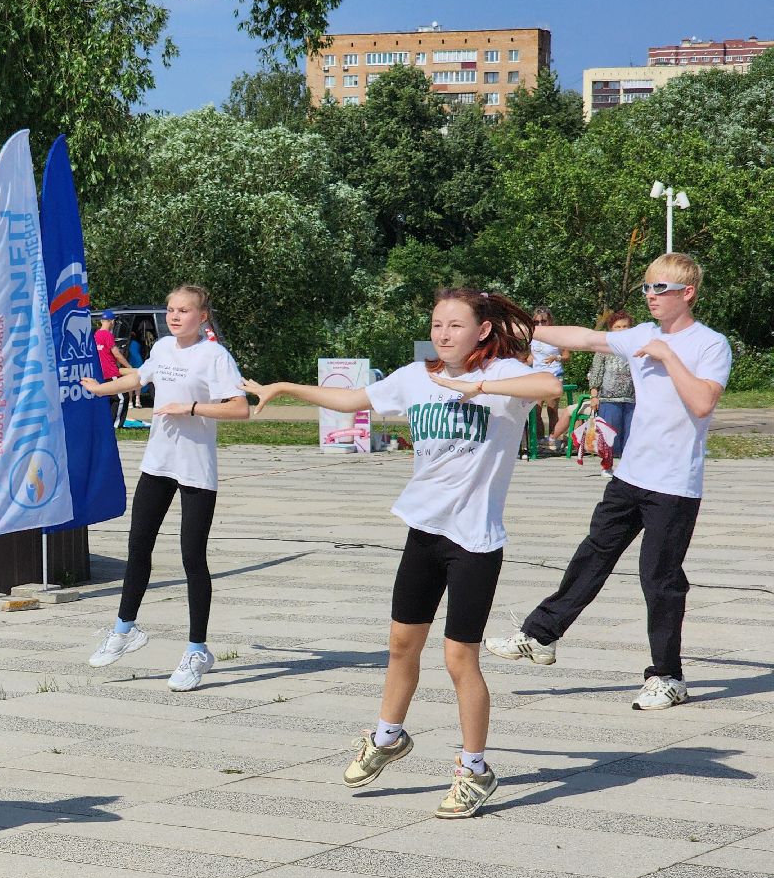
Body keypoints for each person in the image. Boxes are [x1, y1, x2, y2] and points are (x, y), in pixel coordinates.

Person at [244, 289, 560, 818]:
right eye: (437, 324)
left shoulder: (504, 376)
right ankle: (388, 736)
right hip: (424, 532)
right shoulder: (416, 377)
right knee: (399, 644)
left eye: (455, 325)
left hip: (474, 541)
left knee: (460, 658)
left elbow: (549, 384)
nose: (443, 333)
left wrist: (476, 385)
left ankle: (475, 770)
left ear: (482, 330)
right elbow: (352, 400)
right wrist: (283, 386)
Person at [487, 253, 731, 711]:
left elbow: (702, 404)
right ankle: (541, 636)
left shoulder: (710, 344)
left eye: (661, 289)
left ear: (688, 293)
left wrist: (666, 356)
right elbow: (584, 338)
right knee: (593, 555)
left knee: (659, 579)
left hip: (674, 485)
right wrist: (522, 328)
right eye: (647, 288)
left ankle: (668, 677)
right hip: (629, 476)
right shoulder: (640, 334)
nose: (651, 297)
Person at [80, 285, 249, 692]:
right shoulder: (163, 349)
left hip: (196, 470)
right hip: (158, 463)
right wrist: (102, 389)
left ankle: (196, 651)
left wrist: (190, 408)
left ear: (202, 316)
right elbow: (140, 377)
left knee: (193, 558)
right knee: (138, 545)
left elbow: (239, 408)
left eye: (184, 311)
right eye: (171, 310)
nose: (175, 317)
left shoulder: (214, 355)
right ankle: (125, 629)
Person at [586, 311, 636, 472]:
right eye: (617, 327)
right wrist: (594, 396)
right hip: (609, 398)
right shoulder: (603, 348)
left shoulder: (637, 347)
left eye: (625, 326)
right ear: (611, 329)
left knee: (631, 435)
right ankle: (606, 466)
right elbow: (596, 372)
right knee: (608, 435)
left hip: (632, 399)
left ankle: (628, 470)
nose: (622, 330)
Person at [527, 307, 567, 445]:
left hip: (554, 374)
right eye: (536, 322)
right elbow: (532, 357)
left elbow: (567, 356)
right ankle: (539, 439)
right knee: (535, 409)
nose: (540, 325)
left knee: (551, 409)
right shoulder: (533, 337)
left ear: (550, 321)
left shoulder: (557, 336)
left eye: (543, 321)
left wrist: (556, 357)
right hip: (537, 375)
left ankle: (553, 438)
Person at [94, 310, 132, 425]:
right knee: (121, 398)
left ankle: (106, 422)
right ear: (112, 322)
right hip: (111, 371)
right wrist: (129, 367)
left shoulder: (96, 334)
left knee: (107, 398)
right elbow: (116, 354)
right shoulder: (107, 335)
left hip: (101, 372)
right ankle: (116, 424)